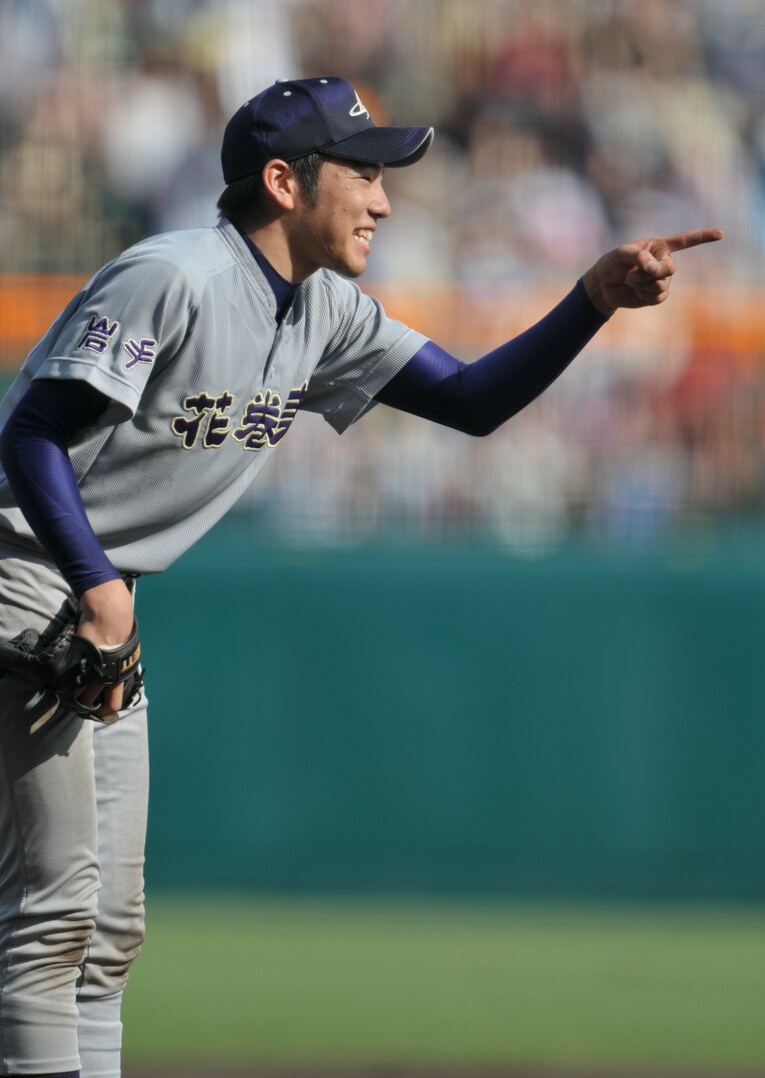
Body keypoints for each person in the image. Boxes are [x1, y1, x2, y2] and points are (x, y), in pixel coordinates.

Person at [0, 75, 722, 1078]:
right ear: (286, 181)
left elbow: (471, 400)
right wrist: (97, 586)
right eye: (364, 173)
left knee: (110, 926)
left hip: (94, 585)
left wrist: (592, 300)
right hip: (28, 569)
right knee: (54, 910)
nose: (384, 199)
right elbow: (29, 433)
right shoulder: (174, 273)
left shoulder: (325, 309)